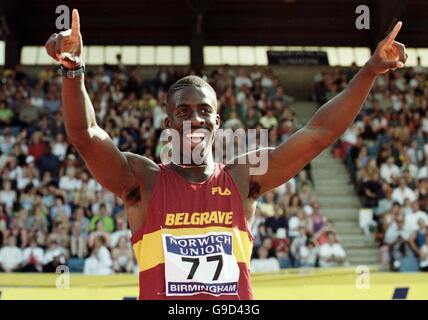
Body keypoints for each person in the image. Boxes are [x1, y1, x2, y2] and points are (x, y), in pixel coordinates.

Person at [45, 9, 407, 299]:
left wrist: (370, 70)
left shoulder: (243, 177)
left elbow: (318, 134)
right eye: (182, 112)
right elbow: (86, 137)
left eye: (203, 111)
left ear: (217, 120)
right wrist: (73, 71)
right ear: (169, 124)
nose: (195, 119)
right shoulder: (144, 180)